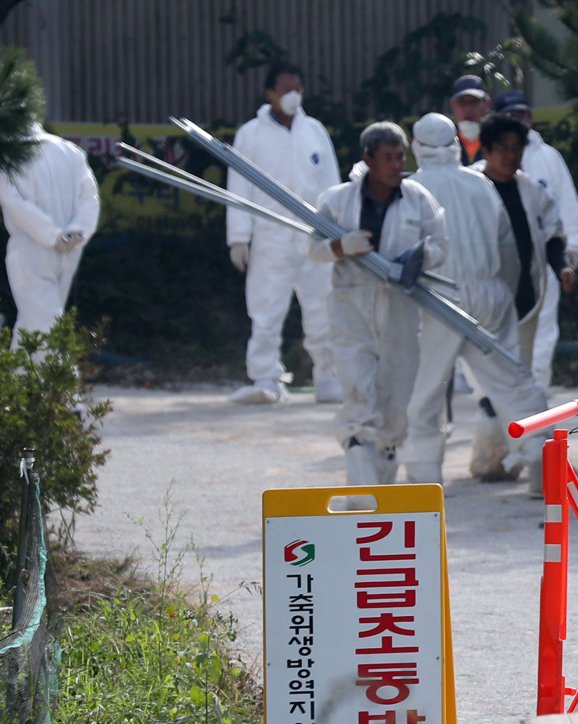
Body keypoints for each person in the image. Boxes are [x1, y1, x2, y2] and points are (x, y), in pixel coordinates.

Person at [398, 113, 549, 485]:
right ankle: (543, 464)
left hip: (438, 297)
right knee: (513, 383)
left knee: (427, 388)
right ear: (455, 145)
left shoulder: (410, 190)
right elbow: (508, 249)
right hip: (491, 293)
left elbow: (403, 257)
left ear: (416, 147)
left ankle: (424, 475)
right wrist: (503, 296)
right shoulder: (481, 184)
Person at [306, 122, 448, 486]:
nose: (397, 163)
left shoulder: (417, 197)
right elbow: (314, 250)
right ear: (368, 158)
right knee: (357, 392)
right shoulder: (337, 200)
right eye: (388, 157)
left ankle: (382, 482)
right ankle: (360, 487)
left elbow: (441, 246)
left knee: (395, 402)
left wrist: (420, 257)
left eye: (401, 155)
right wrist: (341, 247)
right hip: (350, 306)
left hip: (400, 308)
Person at [226, 62, 341, 405]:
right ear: (269, 93)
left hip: (314, 236)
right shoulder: (250, 134)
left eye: (297, 89)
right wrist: (238, 238)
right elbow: (238, 187)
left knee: (323, 307)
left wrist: (336, 231)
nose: (293, 95)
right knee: (266, 308)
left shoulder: (315, 131)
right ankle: (265, 378)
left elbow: (332, 184)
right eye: (286, 89)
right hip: (270, 236)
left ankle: (328, 376)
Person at [469, 113, 569, 491]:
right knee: (488, 384)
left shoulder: (531, 190)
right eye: (503, 150)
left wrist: (562, 269)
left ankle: (507, 462)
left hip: (523, 303)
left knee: (517, 380)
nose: (511, 157)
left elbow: (553, 235)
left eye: (517, 150)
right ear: (487, 150)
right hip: (473, 306)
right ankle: (493, 458)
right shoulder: (470, 188)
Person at [495, 90, 578, 388]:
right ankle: (499, 406)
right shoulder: (486, 159)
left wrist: (568, 259)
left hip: (541, 264)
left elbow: (568, 209)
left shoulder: (548, 157)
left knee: (543, 332)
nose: (518, 120)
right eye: (511, 115)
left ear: (531, 117)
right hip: (496, 266)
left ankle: (536, 401)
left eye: (523, 114)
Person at [0, 124, 99, 353]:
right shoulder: (70, 151)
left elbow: (13, 203)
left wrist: (51, 235)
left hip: (31, 245)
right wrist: (79, 230)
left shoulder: (4, 157)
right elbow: (89, 196)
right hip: (71, 247)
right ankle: (23, 382)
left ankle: (57, 385)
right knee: (39, 320)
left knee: (41, 322)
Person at [449, 75, 491, 167]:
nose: (469, 109)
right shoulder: (445, 143)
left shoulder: (497, 142)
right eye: (462, 102)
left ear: (487, 104)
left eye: (474, 102)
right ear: (452, 105)